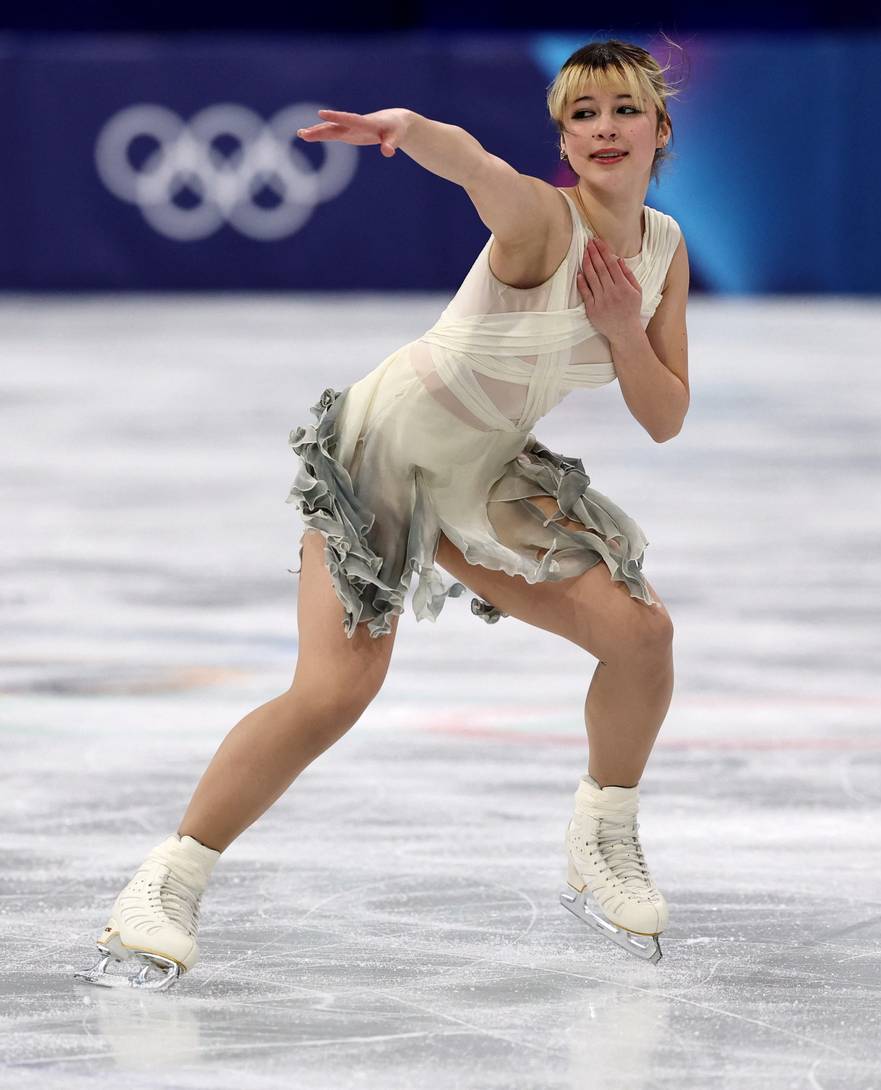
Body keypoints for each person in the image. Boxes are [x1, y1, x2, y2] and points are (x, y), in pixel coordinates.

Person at [75, 37, 690, 989]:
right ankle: (165, 883)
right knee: (336, 690)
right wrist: (411, 130)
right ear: (563, 139)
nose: (604, 129)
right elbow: (478, 168)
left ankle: (601, 836)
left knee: (642, 634)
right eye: (582, 114)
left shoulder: (663, 250)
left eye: (622, 110)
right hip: (385, 452)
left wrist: (620, 331)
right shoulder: (542, 221)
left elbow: (664, 415)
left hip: (485, 469)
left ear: (660, 128)